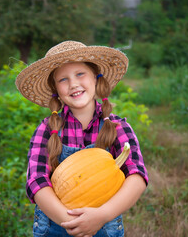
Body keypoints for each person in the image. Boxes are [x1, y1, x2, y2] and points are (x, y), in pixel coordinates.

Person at [16, 40, 148, 237]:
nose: (73, 84)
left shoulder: (118, 128)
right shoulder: (47, 129)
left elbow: (137, 176)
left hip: (104, 225)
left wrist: (102, 215)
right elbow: (36, 181)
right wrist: (74, 224)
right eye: (63, 79)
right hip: (55, 227)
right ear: (56, 90)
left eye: (80, 74)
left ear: (96, 78)